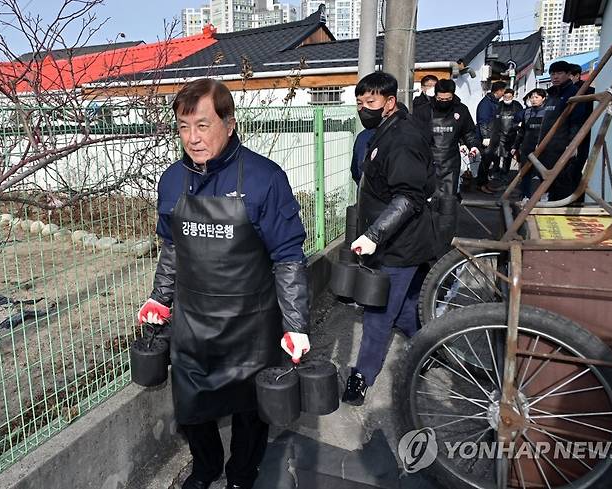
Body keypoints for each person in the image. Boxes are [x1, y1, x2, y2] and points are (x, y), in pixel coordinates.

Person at [137, 79, 311, 489]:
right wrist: (159, 298)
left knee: (251, 411)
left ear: (229, 124)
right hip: (193, 322)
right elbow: (172, 247)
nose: (193, 138)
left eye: (202, 125)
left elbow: (287, 258)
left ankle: (241, 474)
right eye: (183, 127)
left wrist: (296, 325)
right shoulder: (171, 180)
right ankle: (206, 466)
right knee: (192, 404)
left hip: (250, 324)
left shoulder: (264, 179)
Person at [341, 71, 435, 406]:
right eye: (359, 102)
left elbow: (409, 196)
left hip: (397, 243)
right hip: (395, 239)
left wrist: (373, 235)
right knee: (406, 308)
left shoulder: (404, 138)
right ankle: (432, 348)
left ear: (390, 102)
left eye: (370, 102)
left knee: (378, 313)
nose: (363, 108)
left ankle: (361, 377)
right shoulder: (385, 131)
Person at [413, 78, 480, 255]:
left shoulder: (461, 111)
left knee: (448, 202)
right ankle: (425, 237)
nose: (443, 102)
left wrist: (473, 146)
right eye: (440, 99)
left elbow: (469, 132)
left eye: (447, 99)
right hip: (427, 163)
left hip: (450, 162)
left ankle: (445, 239)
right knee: (427, 201)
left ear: (453, 96)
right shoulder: (423, 111)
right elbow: (414, 138)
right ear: (435, 96)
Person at [537, 60, 587, 201]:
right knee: (546, 182)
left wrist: (572, 144)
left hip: (562, 147)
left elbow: (576, 121)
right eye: (552, 74)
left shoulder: (574, 93)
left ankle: (560, 211)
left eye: (559, 73)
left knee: (561, 183)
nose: (555, 77)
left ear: (568, 74)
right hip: (546, 146)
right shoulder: (552, 94)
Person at [512, 88, 547, 198]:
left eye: (537, 97)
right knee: (525, 173)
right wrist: (515, 146)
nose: (533, 100)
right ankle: (525, 196)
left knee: (543, 173)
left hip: (542, 147)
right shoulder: (527, 112)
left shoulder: (548, 112)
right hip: (527, 146)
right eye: (531, 97)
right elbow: (522, 131)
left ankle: (544, 196)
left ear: (543, 99)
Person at [569, 63, 595, 201]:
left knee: (577, 165)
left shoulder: (590, 91)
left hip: (583, 133)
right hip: (568, 133)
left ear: (577, 76)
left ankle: (576, 197)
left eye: (569, 76)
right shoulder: (564, 91)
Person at [475, 80, 507, 194]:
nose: (504, 94)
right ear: (498, 91)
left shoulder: (495, 103)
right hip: (487, 138)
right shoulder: (486, 103)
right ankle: (481, 184)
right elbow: (482, 121)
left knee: (489, 162)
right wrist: (485, 137)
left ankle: (485, 183)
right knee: (485, 162)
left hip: (494, 136)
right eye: (503, 91)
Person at [490, 88, 523, 185]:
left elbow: (521, 118)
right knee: (496, 155)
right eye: (505, 96)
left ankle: (505, 173)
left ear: (513, 96)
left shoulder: (517, 106)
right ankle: (495, 172)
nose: (507, 98)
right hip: (499, 134)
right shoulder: (498, 106)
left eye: (509, 97)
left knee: (508, 156)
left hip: (511, 135)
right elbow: (494, 119)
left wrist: (518, 126)